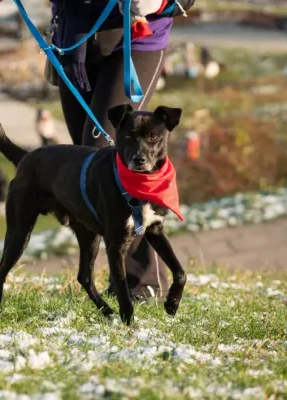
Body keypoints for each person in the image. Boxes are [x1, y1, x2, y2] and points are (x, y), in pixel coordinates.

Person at [46, 0, 196, 298]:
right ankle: (103, 281)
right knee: (87, 165)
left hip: (138, 39)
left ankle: (142, 285)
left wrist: (160, 1)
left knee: (109, 153)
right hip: (73, 40)